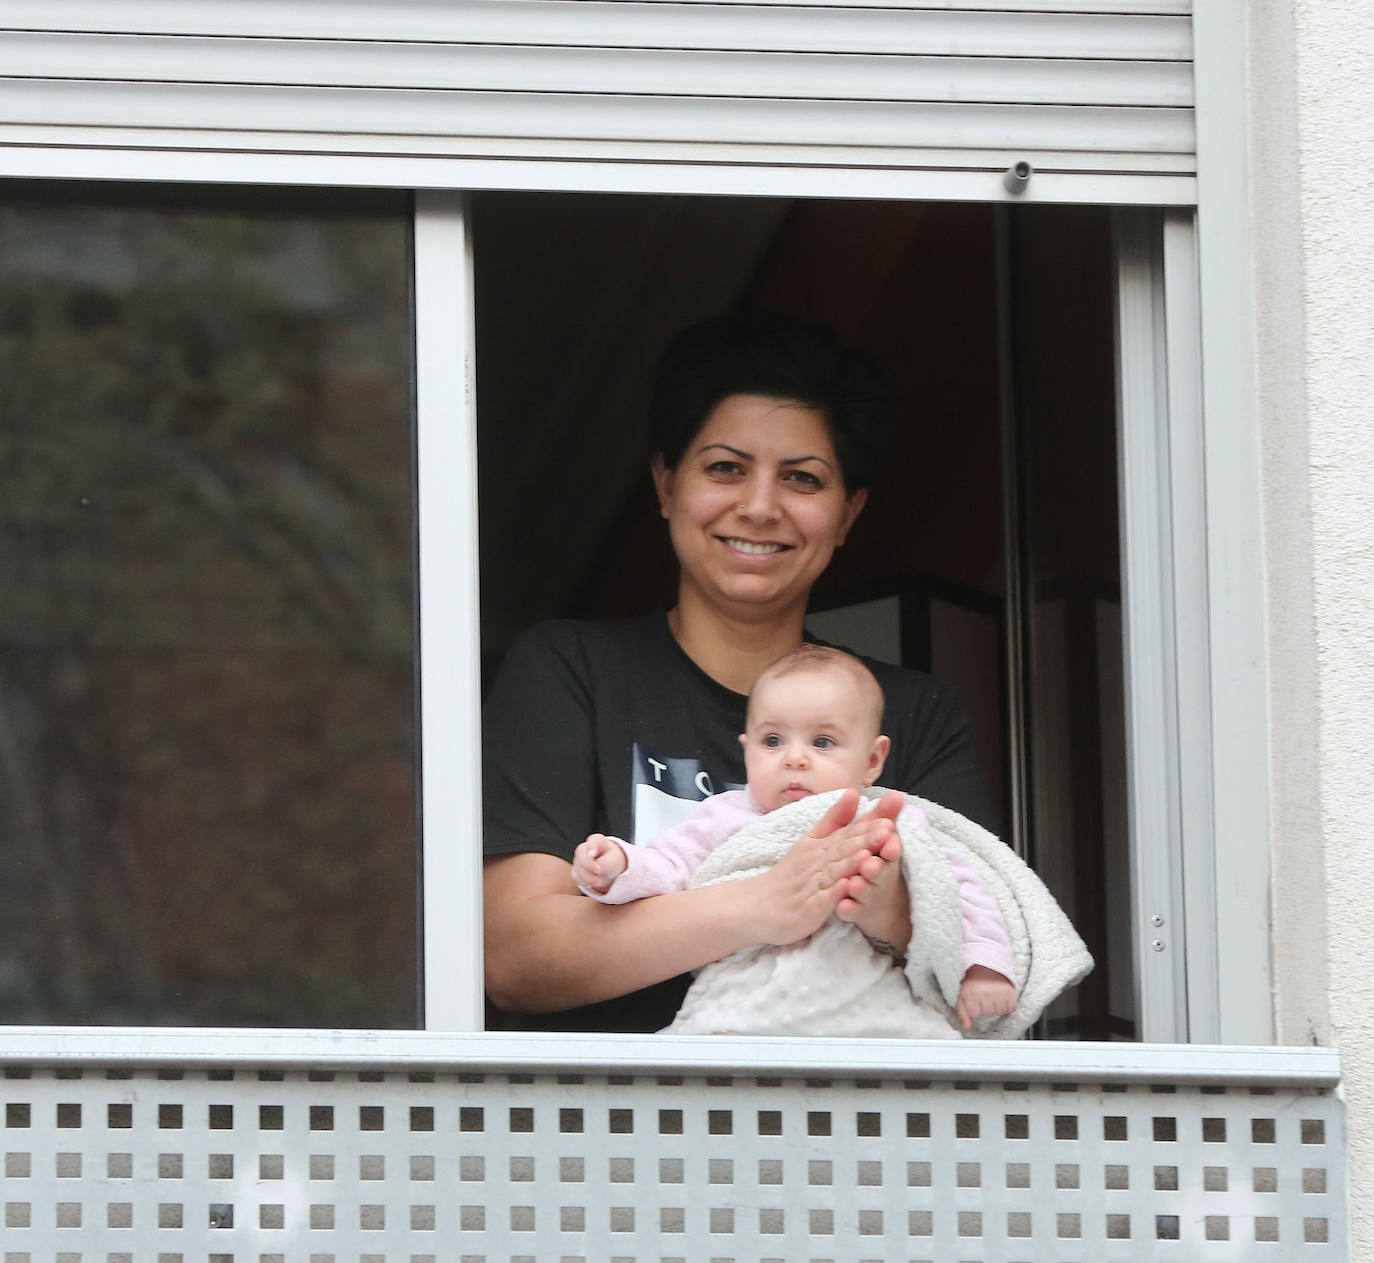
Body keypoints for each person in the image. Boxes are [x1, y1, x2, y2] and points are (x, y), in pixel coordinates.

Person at [483, 310, 995, 1032]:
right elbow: (516, 957)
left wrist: (886, 905)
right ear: (666, 484)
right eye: (725, 468)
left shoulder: (912, 713)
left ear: (847, 514)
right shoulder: (573, 670)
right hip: (613, 1129)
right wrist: (764, 903)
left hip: (847, 1130)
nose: (759, 507)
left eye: (802, 478)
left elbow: (988, 957)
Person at [571, 645, 1017, 1030]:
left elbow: (960, 889)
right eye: (773, 741)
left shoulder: (887, 819)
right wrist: (619, 867)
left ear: (873, 759)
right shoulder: (722, 817)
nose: (795, 758)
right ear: (745, 748)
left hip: (867, 1007)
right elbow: (668, 866)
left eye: (822, 742)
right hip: (741, 1005)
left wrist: (983, 967)